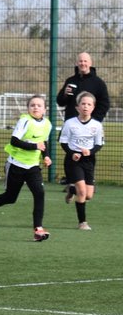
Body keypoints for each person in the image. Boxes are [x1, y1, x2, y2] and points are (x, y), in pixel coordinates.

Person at [0, 94, 53, 242]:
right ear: (28, 108)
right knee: (11, 197)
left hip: (32, 166)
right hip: (16, 165)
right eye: (32, 105)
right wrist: (34, 146)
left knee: (39, 193)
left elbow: (43, 142)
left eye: (39, 105)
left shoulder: (47, 124)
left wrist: (46, 155)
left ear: (45, 109)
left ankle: (38, 229)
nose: (35, 107)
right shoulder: (25, 121)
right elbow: (14, 141)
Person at [59, 92, 105, 231]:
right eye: (83, 104)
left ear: (93, 107)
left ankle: (71, 189)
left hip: (89, 161)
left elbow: (99, 144)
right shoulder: (69, 123)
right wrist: (72, 153)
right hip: (73, 161)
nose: (86, 106)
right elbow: (63, 142)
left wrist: (90, 152)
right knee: (83, 193)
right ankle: (82, 222)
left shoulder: (97, 125)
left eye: (89, 104)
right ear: (77, 107)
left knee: (88, 195)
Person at [55, 51, 110, 122]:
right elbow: (60, 102)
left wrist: (94, 120)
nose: (83, 63)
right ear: (77, 63)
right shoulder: (70, 81)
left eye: (85, 61)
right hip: (71, 122)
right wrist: (64, 94)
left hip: (89, 125)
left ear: (90, 63)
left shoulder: (99, 83)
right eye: (80, 61)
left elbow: (104, 105)